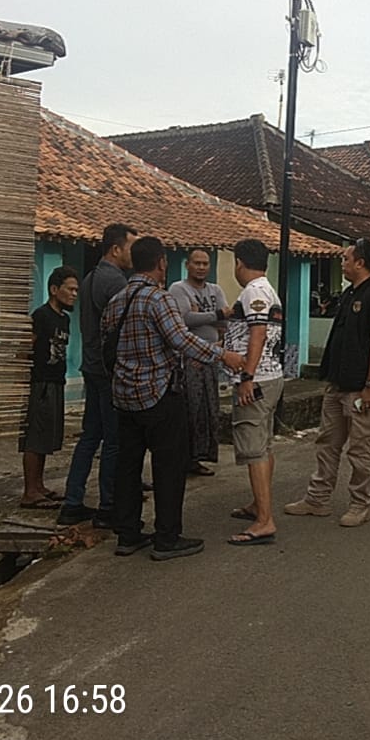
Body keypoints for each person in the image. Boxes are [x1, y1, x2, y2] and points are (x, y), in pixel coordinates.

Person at [102, 236, 244, 560]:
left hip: (124, 396)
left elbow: (104, 344)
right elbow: (180, 339)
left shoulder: (117, 300)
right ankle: (167, 537)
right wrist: (223, 355)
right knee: (169, 466)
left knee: (128, 466)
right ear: (161, 263)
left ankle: (128, 534)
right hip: (159, 393)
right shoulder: (159, 298)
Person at [285, 238, 370, 528]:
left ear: (360, 262)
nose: (342, 263)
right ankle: (317, 498)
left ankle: (360, 504)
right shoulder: (349, 294)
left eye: (346, 259)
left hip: (360, 387)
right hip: (337, 382)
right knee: (327, 443)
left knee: (359, 448)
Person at [58, 223, 137, 526]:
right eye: (130, 248)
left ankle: (72, 501)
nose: (133, 255)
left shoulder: (91, 276)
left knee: (90, 436)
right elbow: (124, 328)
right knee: (113, 440)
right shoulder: (115, 281)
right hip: (107, 370)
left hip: (91, 366)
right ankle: (108, 505)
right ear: (116, 249)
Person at [224, 239, 285, 546]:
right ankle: (258, 505)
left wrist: (247, 376)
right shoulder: (264, 289)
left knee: (254, 449)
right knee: (264, 444)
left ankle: (264, 520)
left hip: (257, 379)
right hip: (269, 377)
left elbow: (257, 333)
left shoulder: (253, 291)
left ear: (239, 263)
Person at [168, 248, 231, 478]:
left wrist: (207, 317)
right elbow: (184, 319)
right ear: (188, 265)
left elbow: (226, 321)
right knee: (189, 410)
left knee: (208, 410)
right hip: (189, 360)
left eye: (205, 263)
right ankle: (182, 459)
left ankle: (197, 458)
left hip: (211, 358)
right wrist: (216, 315)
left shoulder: (215, 290)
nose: (201, 267)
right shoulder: (178, 289)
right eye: (197, 263)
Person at [20, 266, 79, 508]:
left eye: (76, 290)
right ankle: (29, 491)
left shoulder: (64, 319)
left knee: (46, 437)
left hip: (56, 381)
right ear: (55, 289)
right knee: (35, 437)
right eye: (70, 289)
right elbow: (26, 347)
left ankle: (39, 485)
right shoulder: (41, 315)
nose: (74, 294)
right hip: (40, 383)